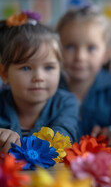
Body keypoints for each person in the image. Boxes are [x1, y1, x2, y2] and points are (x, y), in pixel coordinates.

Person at [0, 12, 80, 151]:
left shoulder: (66, 103)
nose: (39, 77)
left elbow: (65, 136)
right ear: (4, 74)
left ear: (60, 69)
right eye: (26, 67)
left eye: (49, 67)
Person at [56, 5, 111, 141]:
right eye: (70, 46)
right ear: (57, 50)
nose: (80, 57)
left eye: (91, 48)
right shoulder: (50, 88)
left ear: (106, 54)